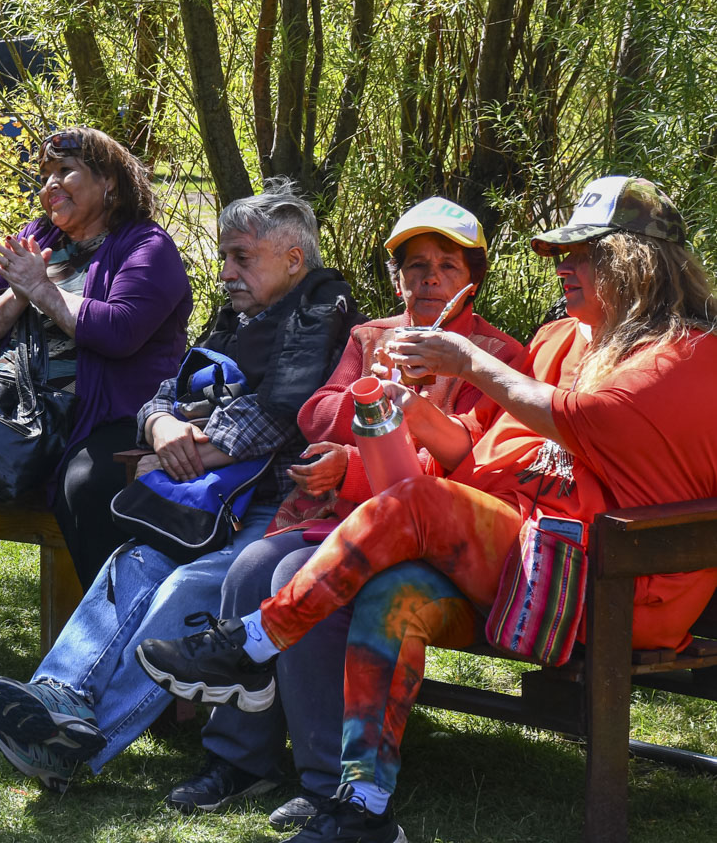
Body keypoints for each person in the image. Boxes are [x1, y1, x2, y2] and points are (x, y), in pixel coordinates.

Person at [137, 176, 717, 843]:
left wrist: (466, 365)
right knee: (392, 594)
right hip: (528, 559)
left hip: (616, 585)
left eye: (582, 255)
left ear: (634, 262)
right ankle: (363, 807)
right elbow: (489, 458)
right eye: (562, 254)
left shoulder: (688, 351)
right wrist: (416, 420)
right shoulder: (561, 340)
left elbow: (585, 419)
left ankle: (254, 641)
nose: (563, 267)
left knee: (416, 503)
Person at [0, 181, 361, 791]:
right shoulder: (237, 318)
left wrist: (187, 448)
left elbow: (281, 414)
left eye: (242, 257)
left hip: (281, 510)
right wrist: (161, 427)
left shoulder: (323, 315)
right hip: (209, 499)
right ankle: (57, 693)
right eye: (225, 256)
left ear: (293, 259)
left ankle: (72, 744)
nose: (227, 273)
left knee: (188, 586)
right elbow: (165, 391)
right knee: (133, 563)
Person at [178, 197, 523, 825]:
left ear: (471, 278)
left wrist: (387, 434)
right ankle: (239, 757)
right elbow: (315, 412)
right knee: (250, 567)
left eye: (447, 266)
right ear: (397, 278)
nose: (430, 280)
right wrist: (368, 397)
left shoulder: (496, 355)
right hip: (342, 516)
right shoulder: (371, 337)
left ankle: (324, 781)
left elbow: (473, 459)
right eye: (415, 266)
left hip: (427, 538)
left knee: (294, 576)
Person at [0, 127, 193, 710]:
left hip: (110, 416)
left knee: (87, 485)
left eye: (65, 172)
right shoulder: (38, 240)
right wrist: (19, 293)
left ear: (109, 182)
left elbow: (121, 332)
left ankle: (125, 672)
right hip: (24, 415)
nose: (51, 185)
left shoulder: (145, 247)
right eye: (45, 175)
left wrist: (43, 290)